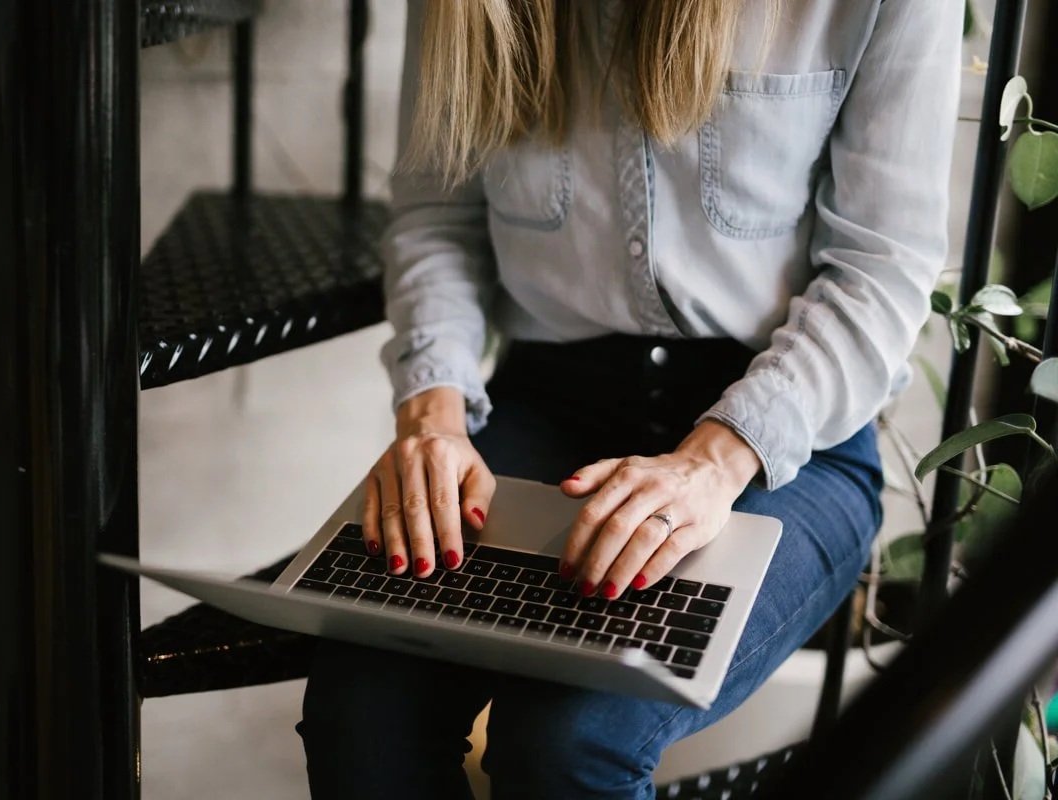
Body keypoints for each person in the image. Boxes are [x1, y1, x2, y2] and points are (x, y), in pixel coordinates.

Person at [297, 0, 961, 797]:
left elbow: (879, 269)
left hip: (784, 446)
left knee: (567, 740)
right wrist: (431, 416)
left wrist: (711, 464)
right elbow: (438, 217)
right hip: (547, 406)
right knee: (360, 714)